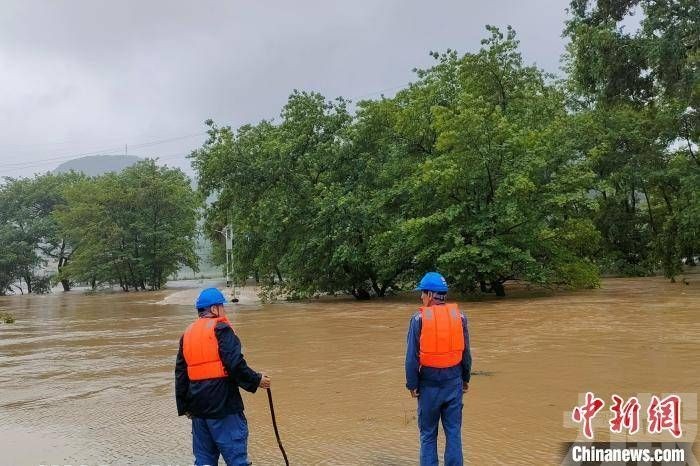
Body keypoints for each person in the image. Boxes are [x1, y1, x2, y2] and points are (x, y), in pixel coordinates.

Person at [175, 287, 271, 466]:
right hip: (224, 406)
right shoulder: (221, 329)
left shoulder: (186, 334)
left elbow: (180, 374)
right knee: (236, 459)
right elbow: (234, 363)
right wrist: (257, 380)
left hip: (198, 410)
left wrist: (185, 406)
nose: (224, 310)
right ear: (213, 309)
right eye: (222, 306)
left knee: (204, 460)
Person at [405, 272, 472, 466]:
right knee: (453, 434)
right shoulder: (460, 317)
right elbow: (465, 352)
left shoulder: (418, 319)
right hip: (454, 383)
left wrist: (412, 384)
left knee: (428, 435)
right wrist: (466, 378)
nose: (421, 297)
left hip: (428, 385)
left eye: (422, 293)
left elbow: (411, 358)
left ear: (431, 294)